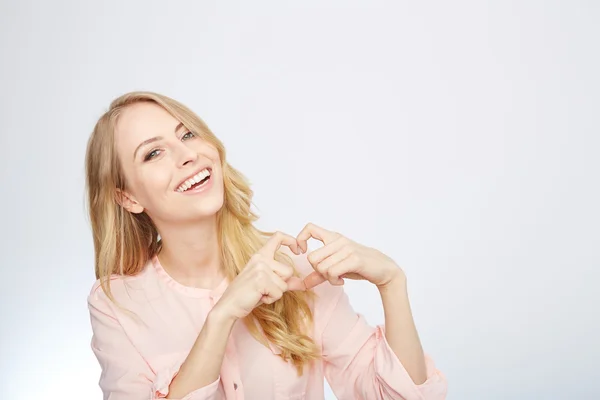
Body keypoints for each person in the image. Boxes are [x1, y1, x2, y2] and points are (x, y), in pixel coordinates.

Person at [85, 91, 448, 400]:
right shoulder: (116, 305)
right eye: (153, 153)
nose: (187, 155)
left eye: (188, 135)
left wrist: (392, 282)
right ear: (127, 197)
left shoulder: (294, 271)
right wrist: (222, 317)